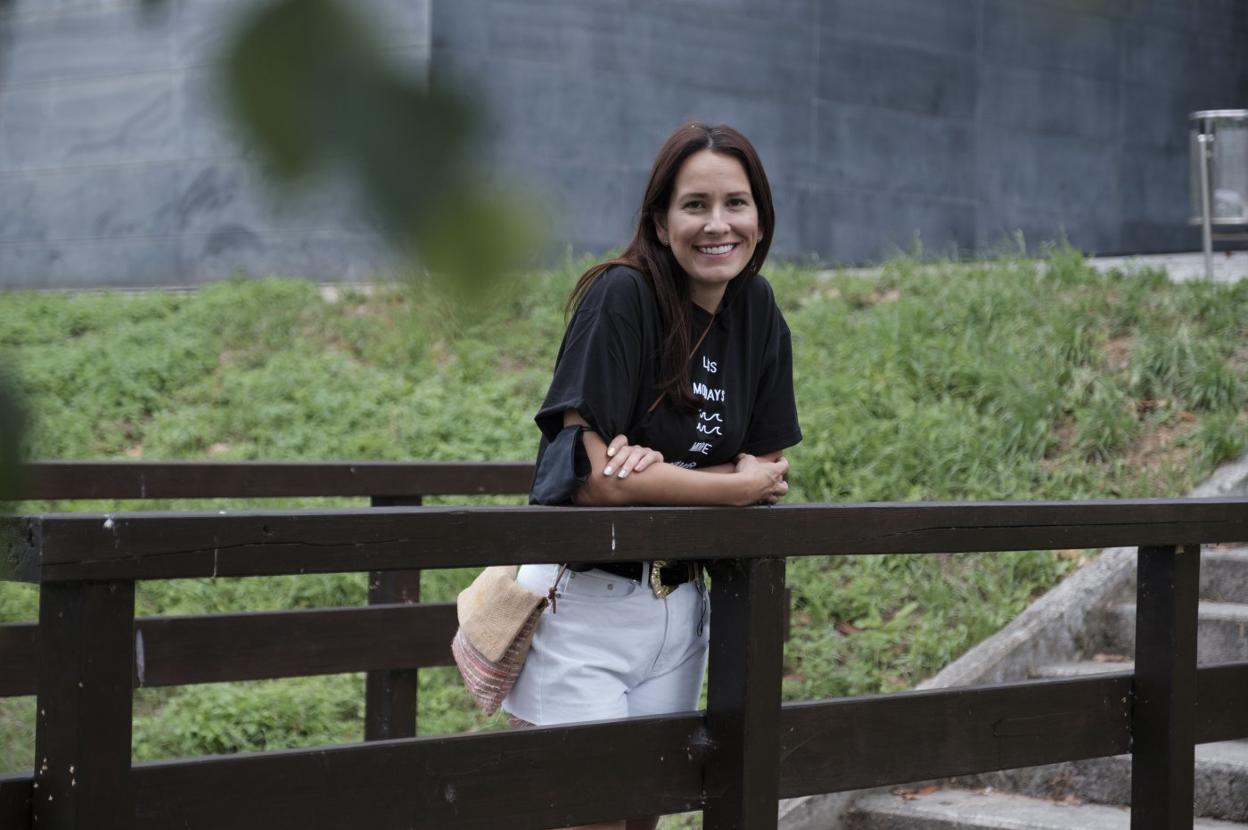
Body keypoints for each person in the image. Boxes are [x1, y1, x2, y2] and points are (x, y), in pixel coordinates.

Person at [503, 122, 801, 830]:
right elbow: (594, 479)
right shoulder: (622, 297)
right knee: (589, 817)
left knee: (644, 816)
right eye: (694, 204)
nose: (718, 224)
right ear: (661, 221)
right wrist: (726, 484)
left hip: (681, 610)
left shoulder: (757, 314)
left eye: (737, 202)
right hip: (586, 606)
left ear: (761, 216)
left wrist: (659, 471)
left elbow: (770, 467)